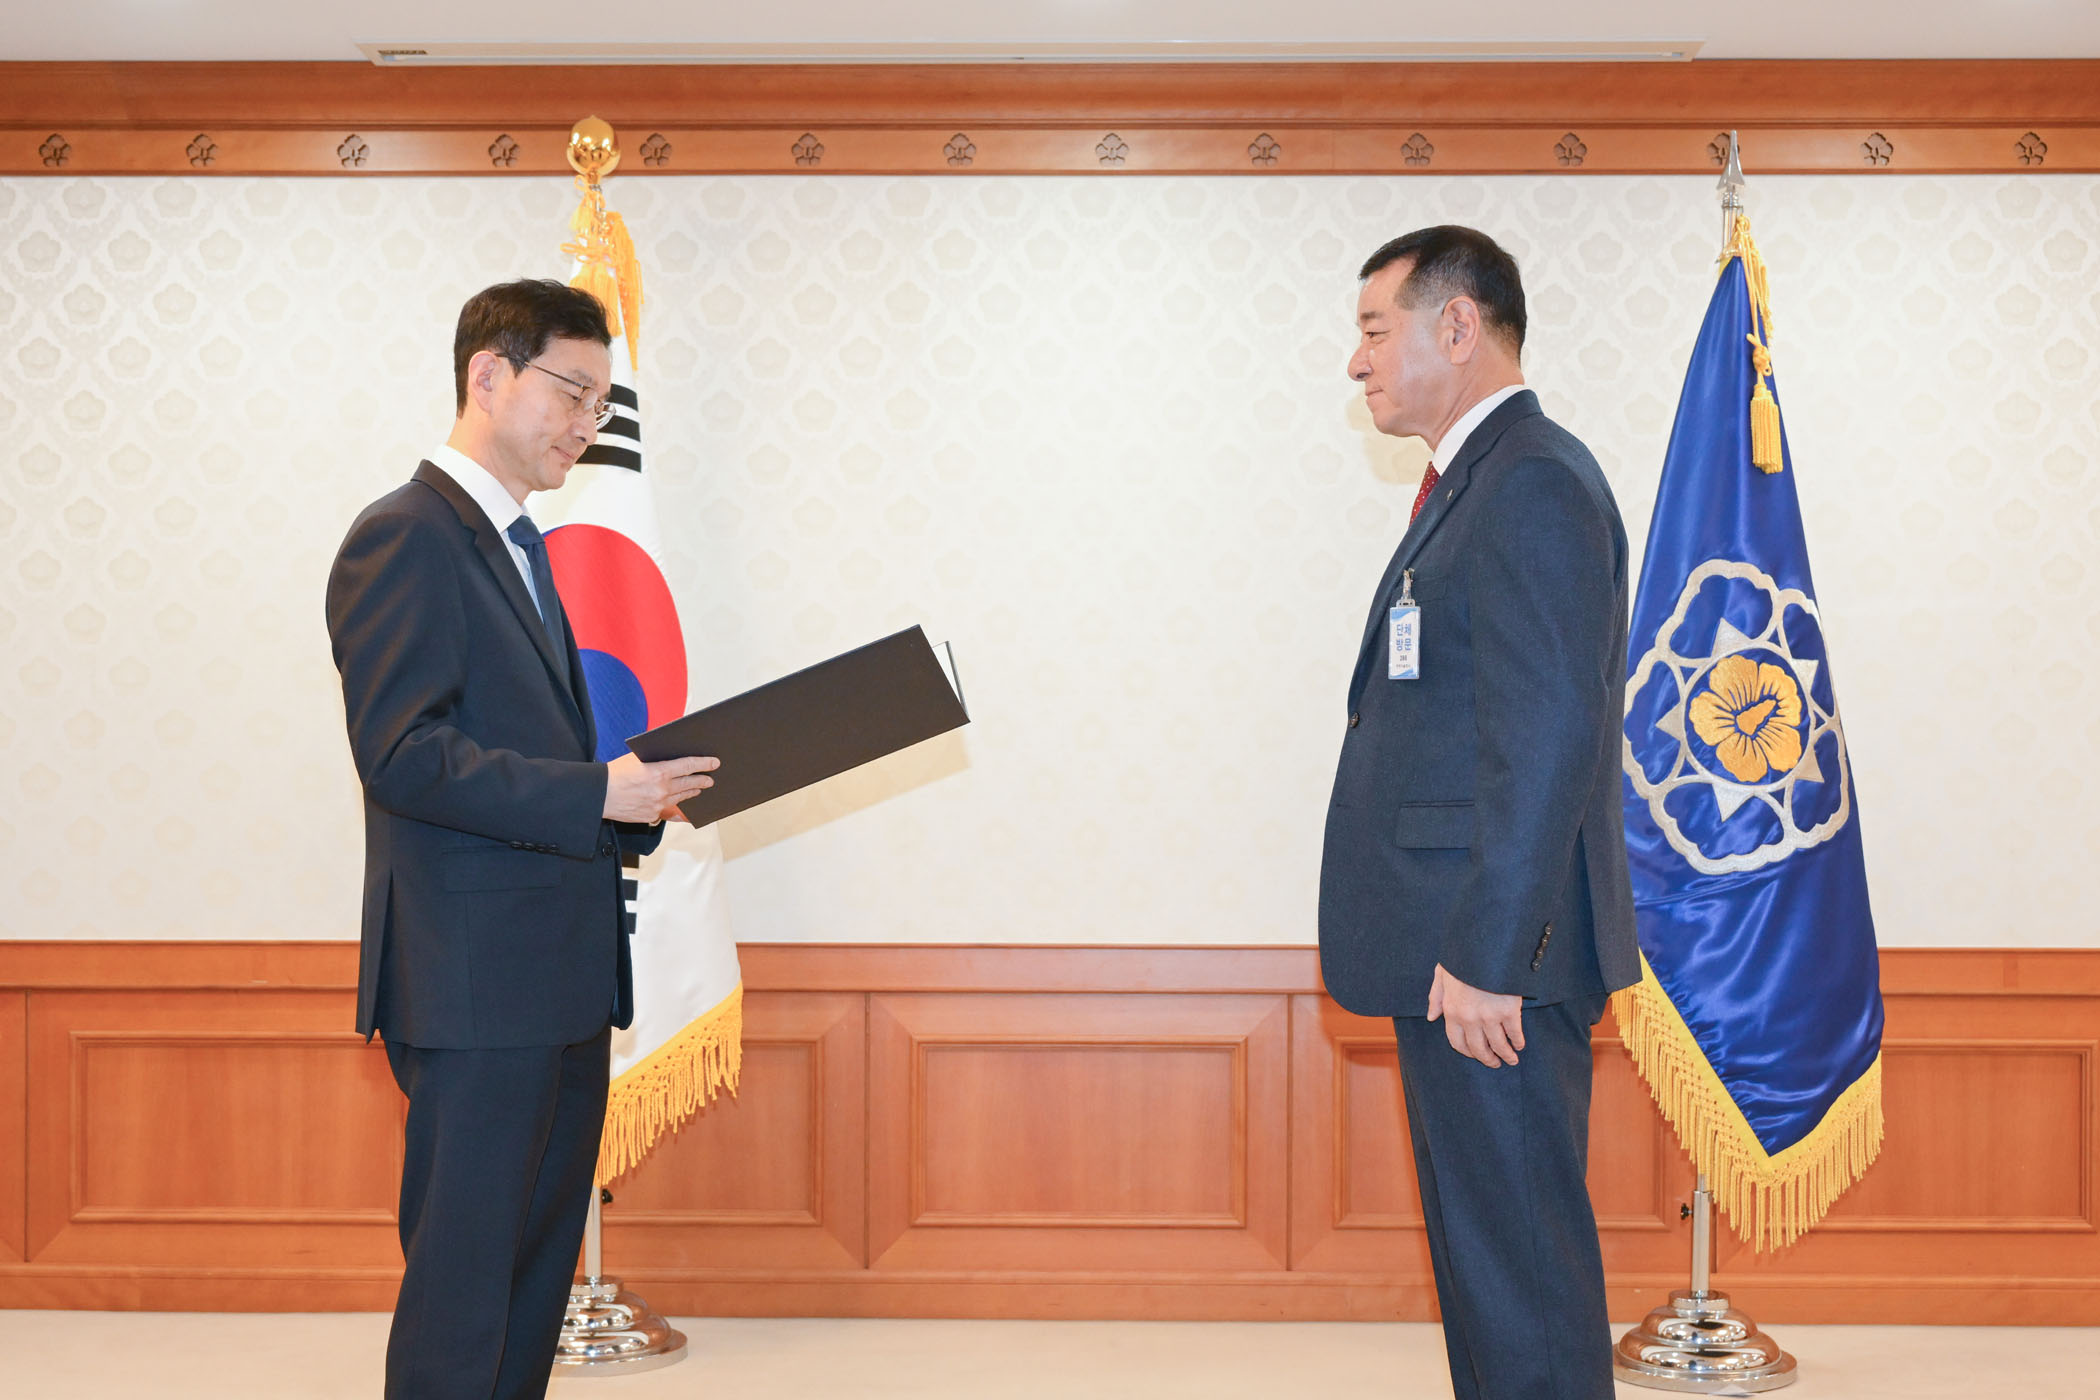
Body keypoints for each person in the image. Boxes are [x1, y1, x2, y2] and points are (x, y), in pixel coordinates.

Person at [326, 279, 718, 1399]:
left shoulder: (520, 545)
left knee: (529, 1285)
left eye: (602, 403)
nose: (589, 423)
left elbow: (523, 760)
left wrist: (632, 803)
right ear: (488, 375)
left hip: (557, 978)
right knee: (464, 1297)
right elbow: (404, 755)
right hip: (473, 986)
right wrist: (595, 794)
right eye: (572, 391)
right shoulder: (405, 535)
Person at [1318, 227, 1640, 1400]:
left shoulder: (1533, 481)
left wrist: (1492, 955)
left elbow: (1548, 737)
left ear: (1457, 327)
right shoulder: (1480, 481)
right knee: (1491, 1274)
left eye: (1374, 328)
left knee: (1523, 1280)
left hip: (1495, 967)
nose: (1357, 360)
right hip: (1460, 951)